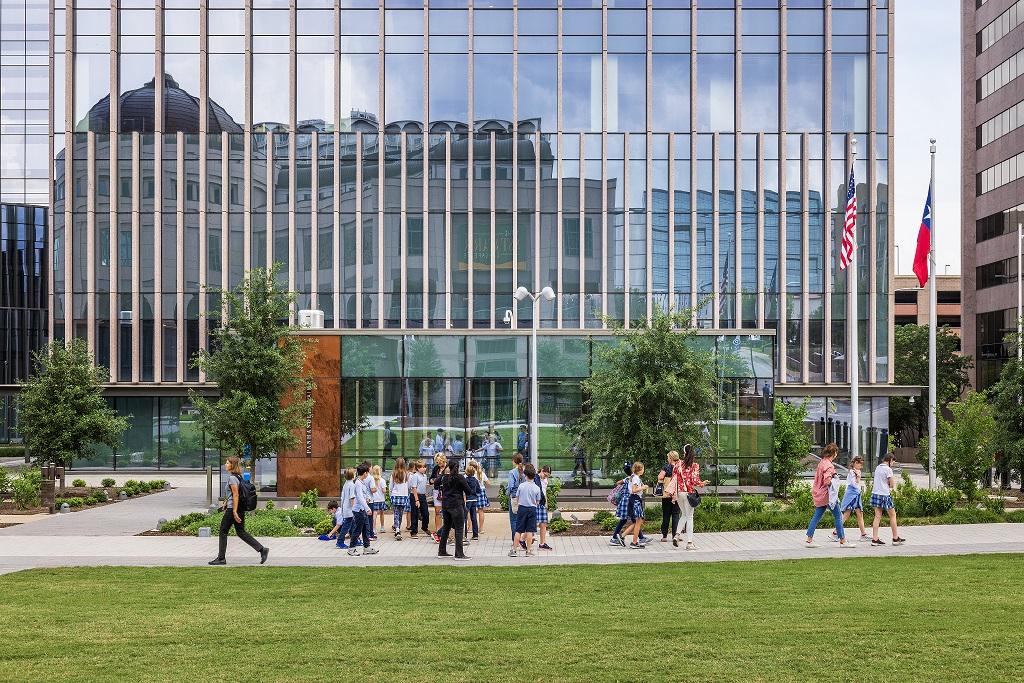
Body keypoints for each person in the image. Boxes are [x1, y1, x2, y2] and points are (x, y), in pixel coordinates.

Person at [209, 456, 269, 566]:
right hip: (237, 507)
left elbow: (236, 495)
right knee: (241, 532)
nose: (225, 464)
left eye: (227, 463)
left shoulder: (232, 478)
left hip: (234, 509)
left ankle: (221, 558)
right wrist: (226, 503)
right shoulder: (238, 477)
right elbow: (233, 494)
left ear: (232, 465)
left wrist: (234, 511)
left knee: (223, 531)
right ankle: (262, 549)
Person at [805, 443, 855, 549]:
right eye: (836, 452)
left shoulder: (822, 462)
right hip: (827, 495)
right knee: (838, 516)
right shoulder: (829, 465)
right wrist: (834, 478)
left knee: (816, 516)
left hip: (819, 493)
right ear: (834, 453)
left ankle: (809, 540)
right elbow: (827, 481)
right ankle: (843, 541)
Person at [673, 444, 709, 550]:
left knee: (683, 514)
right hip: (689, 493)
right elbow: (694, 480)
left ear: (684, 453)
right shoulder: (694, 465)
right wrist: (702, 483)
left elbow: (674, 479)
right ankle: (689, 543)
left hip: (679, 493)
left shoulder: (678, 465)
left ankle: (677, 535)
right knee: (690, 517)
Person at [437, 457, 475, 559]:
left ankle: (442, 551)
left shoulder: (445, 477)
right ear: (458, 467)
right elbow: (468, 491)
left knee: (446, 527)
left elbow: (436, 485)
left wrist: (442, 473)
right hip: (456, 505)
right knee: (459, 529)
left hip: (446, 505)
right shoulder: (460, 478)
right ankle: (459, 554)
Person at [870, 452, 905, 547]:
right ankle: (895, 538)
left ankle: (875, 539)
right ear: (890, 460)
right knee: (893, 515)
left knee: (877, 516)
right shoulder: (888, 470)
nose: (893, 464)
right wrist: (888, 484)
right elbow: (892, 485)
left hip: (876, 493)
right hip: (885, 494)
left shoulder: (878, 467)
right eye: (893, 462)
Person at [832, 455, 869, 543]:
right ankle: (835, 533)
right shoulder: (853, 472)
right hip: (852, 495)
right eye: (860, 464)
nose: (861, 467)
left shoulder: (854, 471)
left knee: (859, 513)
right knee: (847, 514)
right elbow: (853, 484)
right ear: (856, 463)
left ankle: (863, 534)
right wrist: (859, 477)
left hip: (855, 494)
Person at [510, 463, 541, 556]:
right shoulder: (537, 488)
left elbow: (517, 497)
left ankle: (514, 550)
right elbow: (538, 501)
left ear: (525, 475)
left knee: (518, 530)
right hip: (532, 509)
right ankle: (529, 551)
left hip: (522, 508)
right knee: (530, 531)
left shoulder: (521, 486)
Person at [348, 463, 379, 556]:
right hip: (359, 510)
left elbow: (362, 496)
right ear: (365, 473)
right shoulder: (358, 483)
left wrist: (367, 500)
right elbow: (360, 498)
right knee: (357, 530)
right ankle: (351, 549)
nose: (368, 474)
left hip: (362, 510)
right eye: (367, 473)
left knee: (366, 529)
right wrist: (367, 508)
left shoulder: (361, 482)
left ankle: (366, 547)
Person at [657, 450, 681, 543]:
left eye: (668, 457)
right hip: (677, 494)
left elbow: (660, 477)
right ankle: (675, 535)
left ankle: (664, 536)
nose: (667, 459)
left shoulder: (666, 467)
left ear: (670, 458)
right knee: (676, 515)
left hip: (667, 494)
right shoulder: (680, 467)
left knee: (666, 515)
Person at [625, 462, 647, 549]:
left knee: (637, 521)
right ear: (640, 470)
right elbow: (634, 490)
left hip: (633, 499)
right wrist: (643, 487)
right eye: (643, 469)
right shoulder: (636, 478)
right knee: (638, 522)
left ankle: (633, 540)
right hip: (636, 499)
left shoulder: (633, 476)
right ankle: (634, 542)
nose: (643, 470)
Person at [335, 468, 356, 549]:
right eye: (354, 473)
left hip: (345, 508)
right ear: (352, 475)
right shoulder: (352, 485)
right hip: (350, 509)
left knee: (352, 525)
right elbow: (352, 498)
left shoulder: (346, 484)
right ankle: (340, 542)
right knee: (347, 526)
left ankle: (354, 540)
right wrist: (354, 509)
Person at [389, 457, 410, 541]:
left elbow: (390, 487)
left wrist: (391, 495)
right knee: (401, 514)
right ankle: (398, 529)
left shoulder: (393, 474)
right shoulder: (406, 474)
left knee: (396, 513)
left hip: (395, 495)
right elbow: (408, 486)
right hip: (404, 496)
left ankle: (397, 530)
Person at [429, 453, 448, 542]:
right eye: (437, 462)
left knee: (446, 512)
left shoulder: (448, 468)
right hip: (437, 491)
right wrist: (433, 480)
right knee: (437, 511)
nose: (439, 464)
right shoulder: (436, 468)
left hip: (446, 491)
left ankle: (444, 532)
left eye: (440, 462)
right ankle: (438, 531)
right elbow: (431, 479)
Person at [408, 460, 429, 538]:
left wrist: (425, 494)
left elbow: (424, 486)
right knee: (415, 514)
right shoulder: (415, 476)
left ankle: (424, 527)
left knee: (426, 513)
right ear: (417, 468)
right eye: (421, 467)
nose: (423, 469)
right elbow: (414, 488)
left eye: (424, 467)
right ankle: (414, 531)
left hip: (422, 496)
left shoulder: (425, 476)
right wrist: (417, 500)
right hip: (415, 496)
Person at [507, 453, 525, 537]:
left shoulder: (512, 472)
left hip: (514, 497)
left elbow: (510, 485)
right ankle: (521, 539)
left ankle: (515, 540)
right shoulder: (525, 471)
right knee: (522, 519)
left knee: (514, 519)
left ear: (514, 461)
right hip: (524, 497)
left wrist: (508, 493)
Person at [470, 457, 490, 535]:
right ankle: (481, 529)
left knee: (471, 511)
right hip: (481, 491)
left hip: (472, 492)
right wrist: (482, 484)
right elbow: (488, 483)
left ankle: (470, 527)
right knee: (481, 511)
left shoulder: (469, 473)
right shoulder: (481, 473)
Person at [463, 461, 482, 540]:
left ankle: (464, 535)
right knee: (473, 517)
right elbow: (479, 490)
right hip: (474, 499)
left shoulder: (465, 480)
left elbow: (463, 489)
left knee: (464, 517)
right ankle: (475, 535)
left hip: (467, 500)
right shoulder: (475, 480)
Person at [537, 465, 553, 550]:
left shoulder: (545, 480)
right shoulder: (536, 478)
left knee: (543, 524)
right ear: (542, 471)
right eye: (545, 475)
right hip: (536, 503)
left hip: (542, 503)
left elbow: (544, 492)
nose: (546, 477)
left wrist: (546, 503)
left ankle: (542, 543)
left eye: (547, 476)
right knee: (533, 524)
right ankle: (522, 540)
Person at [369, 465, 388, 535]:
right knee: (382, 513)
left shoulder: (371, 480)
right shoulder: (382, 480)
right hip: (381, 499)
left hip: (374, 499)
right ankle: (382, 527)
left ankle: (373, 528)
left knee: (375, 514)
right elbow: (384, 490)